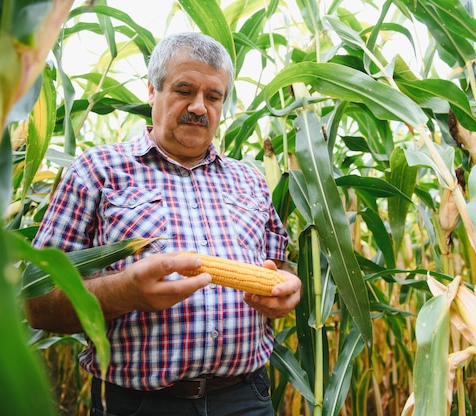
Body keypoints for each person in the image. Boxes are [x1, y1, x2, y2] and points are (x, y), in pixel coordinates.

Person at [25, 32, 302, 416]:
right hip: (140, 404)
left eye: (214, 96)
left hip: (245, 398)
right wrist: (126, 292)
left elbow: (280, 267)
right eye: (184, 90)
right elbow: (37, 303)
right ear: (152, 91)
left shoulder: (250, 179)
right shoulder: (97, 171)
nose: (199, 107)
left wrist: (286, 289)